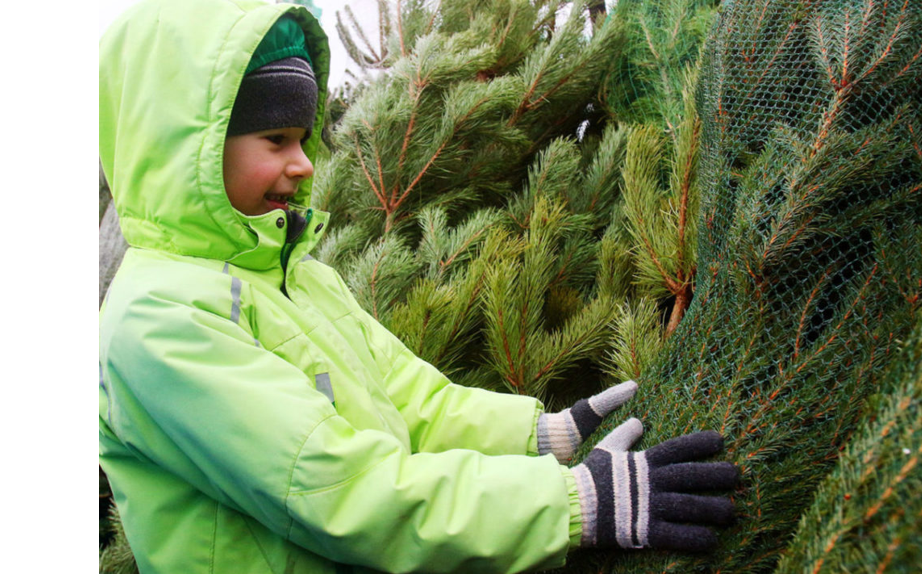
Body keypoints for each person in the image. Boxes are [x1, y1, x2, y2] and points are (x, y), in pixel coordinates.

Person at [98, 1, 739, 572]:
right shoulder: (160, 320)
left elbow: (412, 400)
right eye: (275, 139)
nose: (302, 163)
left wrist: (539, 435)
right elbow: (339, 492)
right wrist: (570, 502)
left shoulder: (299, 278)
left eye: (302, 138)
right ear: (191, 148)